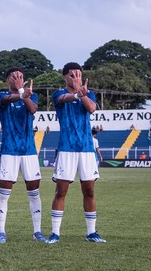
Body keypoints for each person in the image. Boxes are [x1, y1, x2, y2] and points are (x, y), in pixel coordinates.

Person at [47, 62, 106, 244]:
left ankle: (91, 232)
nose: (75, 77)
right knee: (61, 191)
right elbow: (63, 99)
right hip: (66, 148)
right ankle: (55, 233)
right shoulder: (58, 93)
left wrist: (81, 92)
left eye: (78, 74)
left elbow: (92, 108)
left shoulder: (89, 93)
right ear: (64, 77)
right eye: (72, 75)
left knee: (89, 190)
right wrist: (75, 94)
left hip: (87, 150)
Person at [0, 67, 45, 244]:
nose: (18, 79)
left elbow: (32, 109)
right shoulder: (1, 96)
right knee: (4, 193)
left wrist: (24, 93)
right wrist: (22, 93)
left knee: (34, 193)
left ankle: (37, 231)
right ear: (7, 80)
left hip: (29, 151)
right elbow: (7, 99)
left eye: (21, 76)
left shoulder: (32, 95)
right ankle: (1, 232)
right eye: (14, 77)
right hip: (9, 150)